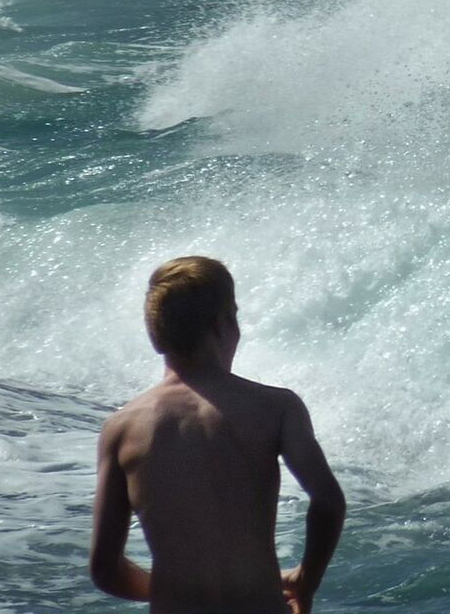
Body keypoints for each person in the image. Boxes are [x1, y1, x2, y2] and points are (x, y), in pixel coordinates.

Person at [90, 256, 347, 613]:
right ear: (223, 325)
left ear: (155, 336)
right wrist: (306, 579)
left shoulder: (123, 427)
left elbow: (105, 569)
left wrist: (169, 589)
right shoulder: (276, 407)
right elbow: (328, 502)